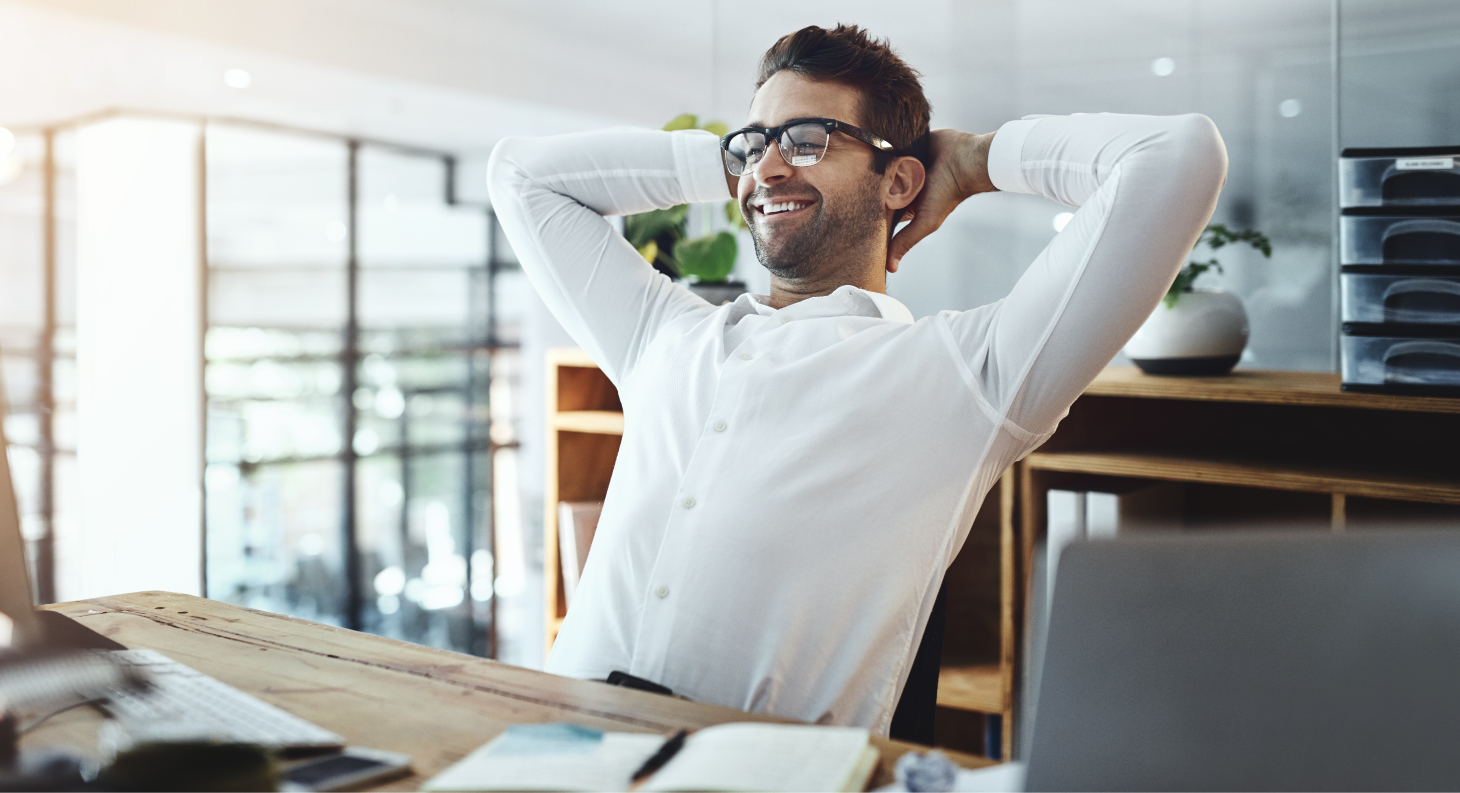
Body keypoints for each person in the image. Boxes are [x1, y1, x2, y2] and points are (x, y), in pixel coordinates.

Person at [488, 24, 1226, 735]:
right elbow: (520, 177)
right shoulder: (664, 333)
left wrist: (972, 160)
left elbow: (1176, 157)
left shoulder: (966, 377)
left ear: (899, 180)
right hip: (549, 754)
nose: (770, 167)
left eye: (808, 141)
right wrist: (740, 164)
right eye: (756, 144)